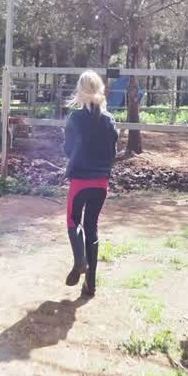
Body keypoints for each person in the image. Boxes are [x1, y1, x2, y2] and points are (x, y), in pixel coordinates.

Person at [62, 70, 118, 297]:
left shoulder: (75, 119)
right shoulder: (109, 120)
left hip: (80, 181)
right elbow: (113, 152)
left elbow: (67, 150)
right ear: (100, 89)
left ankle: (79, 260)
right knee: (92, 227)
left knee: (72, 220)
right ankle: (91, 285)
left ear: (80, 91)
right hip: (101, 182)